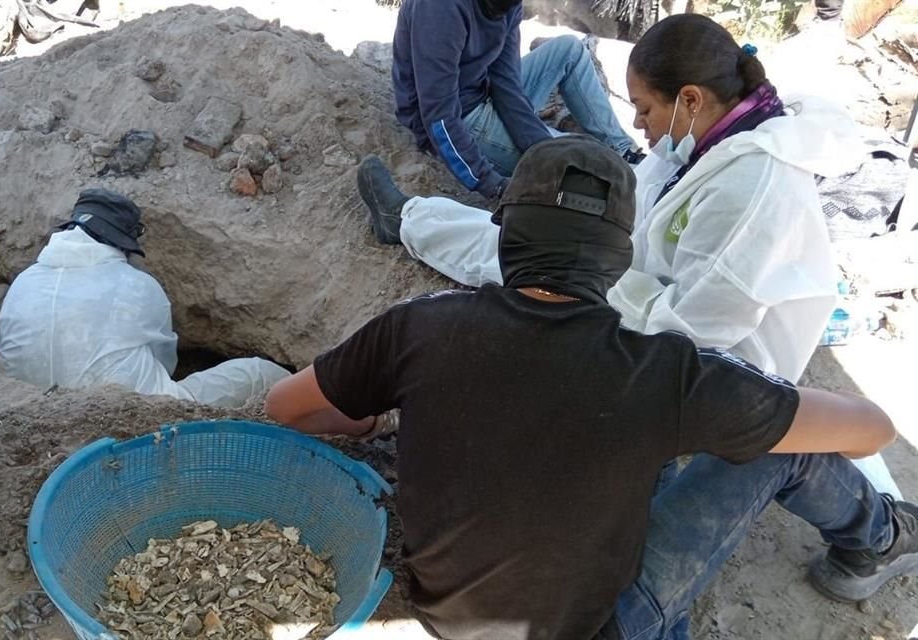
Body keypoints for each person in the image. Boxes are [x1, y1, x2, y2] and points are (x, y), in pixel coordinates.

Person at [265, 136, 916, 640]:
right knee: (783, 443)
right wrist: (762, 406)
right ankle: (881, 542)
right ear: (618, 254)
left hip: (448, 620)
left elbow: (282, 407)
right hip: (600, 628)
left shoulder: (419, 326)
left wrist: (366, 422)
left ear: (507, 232)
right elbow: (873, 429)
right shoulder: (664, 372)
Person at [358, 13, 901, 498]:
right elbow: (642, 202)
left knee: (548, 288)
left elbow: (697, 329)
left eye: (643, 108)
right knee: (529, 241)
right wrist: (572, 227)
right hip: (647, 286)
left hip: (709, 353)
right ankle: (407, 218)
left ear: (689, 98)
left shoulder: (755, 184)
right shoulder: (705, 137)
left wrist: (594, 281)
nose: (638, 124)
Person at [0, 188, 290, 409]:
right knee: (256, 373)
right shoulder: (136, 285)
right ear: (121, 243)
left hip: (31, 409)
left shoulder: (25, 281)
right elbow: (165, 362)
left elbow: (2, 347)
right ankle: (302, 389)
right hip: (126, 409)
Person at [388, 0, 640, 207]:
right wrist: (492, 183)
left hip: (482, 90)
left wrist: (538, 143)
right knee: (575, 167)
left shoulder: (507, 5)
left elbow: (506, 83)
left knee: (569, 50)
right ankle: (616, 176)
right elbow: (438, 115)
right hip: (460, 115)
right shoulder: (440, 8)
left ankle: (624, 151)